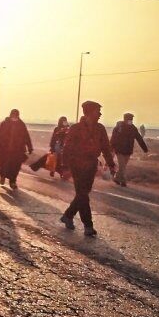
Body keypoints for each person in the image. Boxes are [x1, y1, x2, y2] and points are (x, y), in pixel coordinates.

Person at [61, 100, 116, 237]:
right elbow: (67, 148)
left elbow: (106, 148)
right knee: (83, 194)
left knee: (83, 193)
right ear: (90, 112)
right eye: (98, 111)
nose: (100, 114)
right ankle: (88, 226)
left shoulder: (100, 129)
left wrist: (111, 164)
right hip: (77, 165)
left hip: (91, 165)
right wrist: (65, 167)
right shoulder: (76, 129)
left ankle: (68, 215)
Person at [0, 108, 33, 189]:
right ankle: (2, 176)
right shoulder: (4, 124)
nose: (14, 117)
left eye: (16, 115)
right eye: (13, 115)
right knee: (4, 165)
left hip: (17, 150)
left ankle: (12, 181)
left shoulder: (21, 124)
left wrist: (30, 147)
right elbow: (0, 136)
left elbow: (26, 136)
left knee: (15, 167)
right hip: (5, 150)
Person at [110, 112, 148, 187]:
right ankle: (123, 181)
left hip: (128, 151)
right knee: (122, 166)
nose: (131, 120)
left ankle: (117, 178)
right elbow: (113, 138)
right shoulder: (119, 127)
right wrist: (111, 147)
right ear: (125, 119)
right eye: (129, 119)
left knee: (123, 167)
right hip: (119, 150)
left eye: (132, 119)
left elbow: (139, 138)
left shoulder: (133, 128)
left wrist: (144, 148)